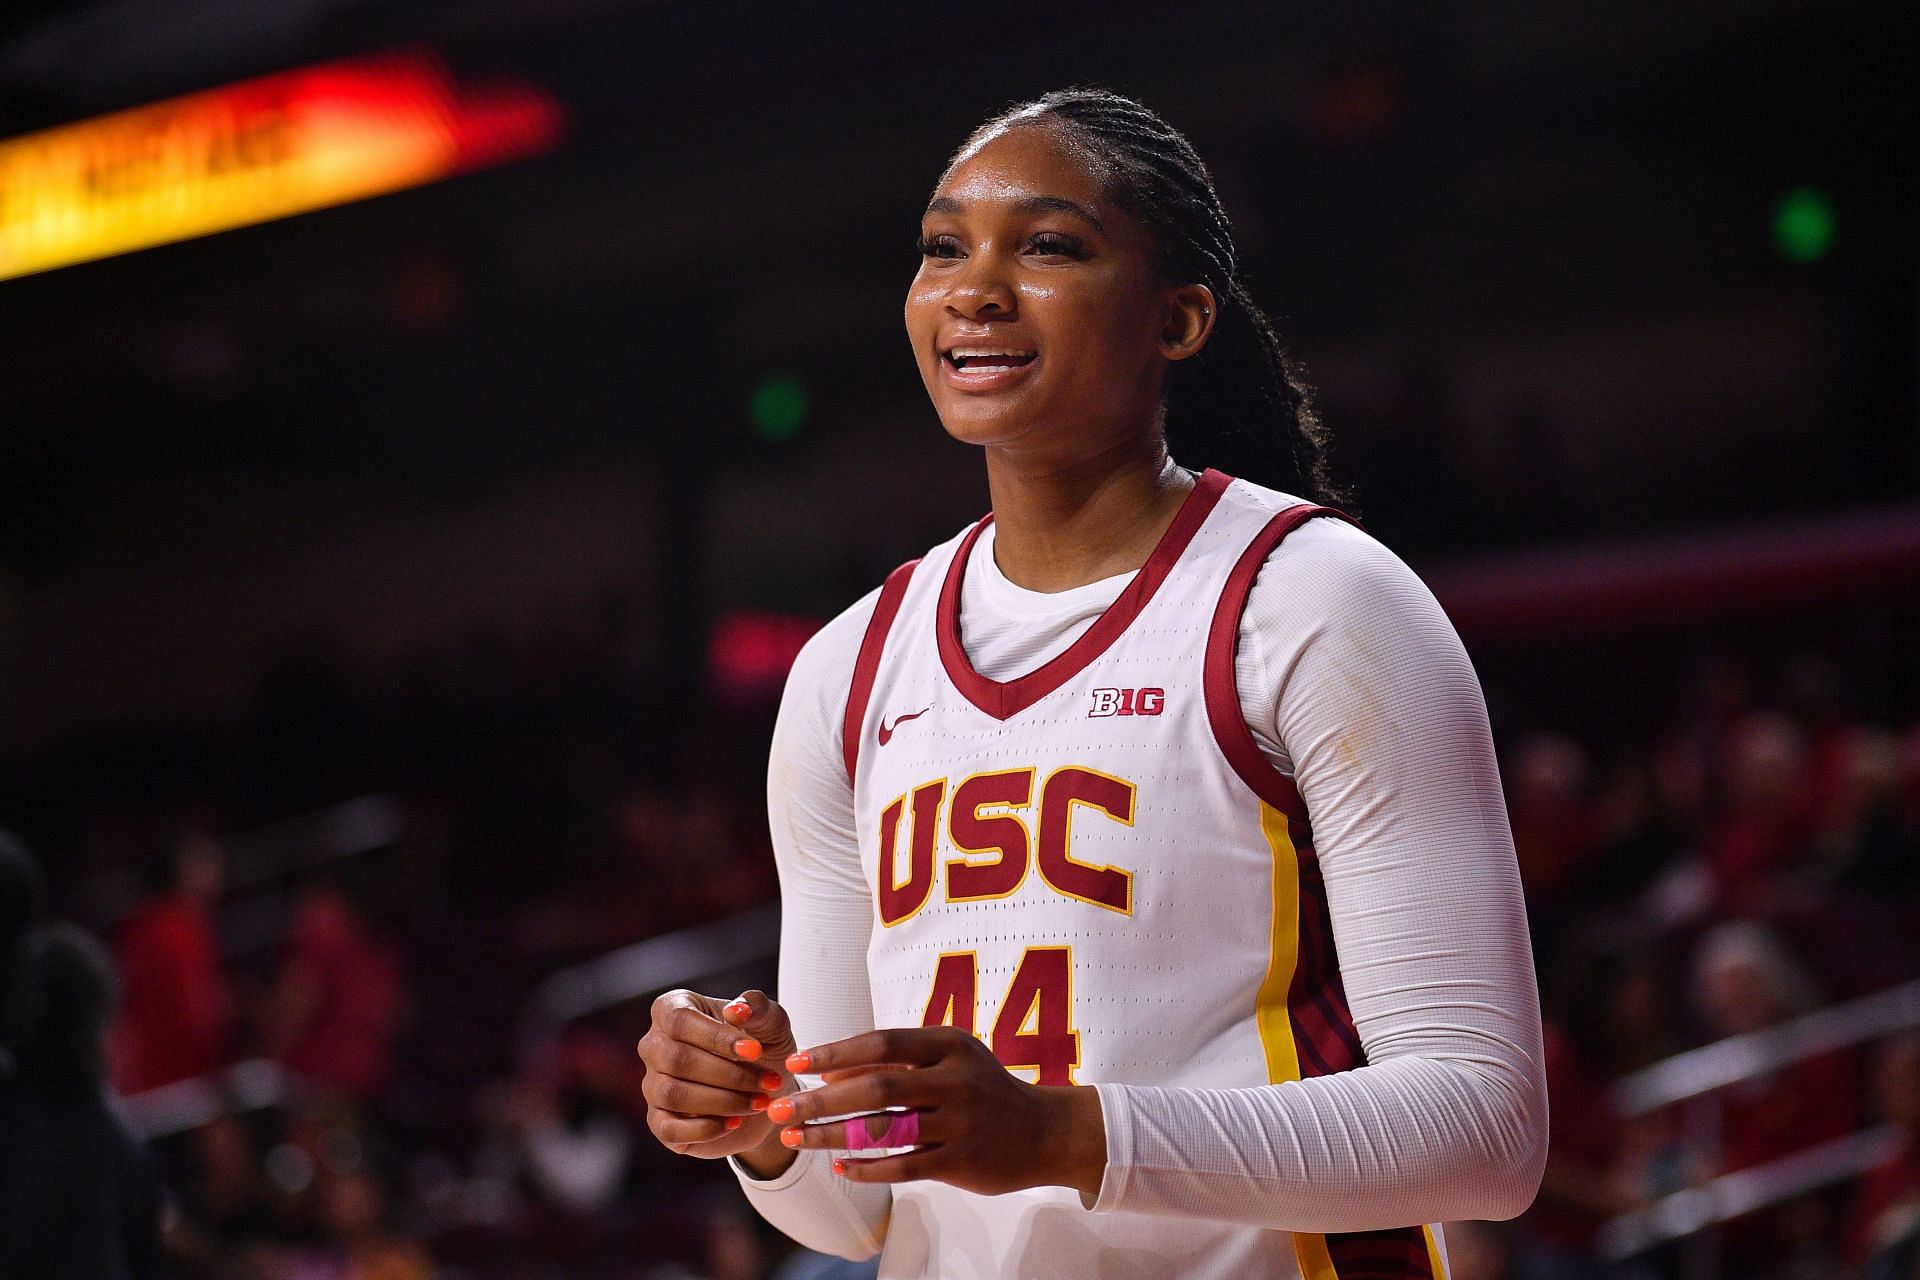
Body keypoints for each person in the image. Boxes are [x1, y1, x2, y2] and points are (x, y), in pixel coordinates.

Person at [638, 86, 1547, 1278]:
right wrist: (763, 1129)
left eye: (1050, 245)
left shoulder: (1318, 601)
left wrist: (1061, 1131)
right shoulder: (845, 670)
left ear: (1178, 319)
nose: (975, 287)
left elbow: (1486, 1129)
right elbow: (854, 1203)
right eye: (943, 248)